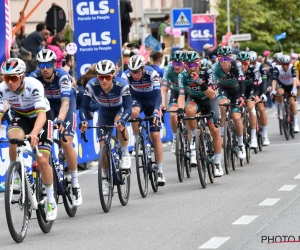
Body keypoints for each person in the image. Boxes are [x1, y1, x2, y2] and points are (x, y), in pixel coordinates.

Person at [0, 58, 57, 221]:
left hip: (42, 118)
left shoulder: (34, 85)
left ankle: (51, 201)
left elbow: (41, 115)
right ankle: (17, 175)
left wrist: (34, 133)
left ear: (22, 76)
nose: (9, 82)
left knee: (42, 161)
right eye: (6, 78)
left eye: (13, 78)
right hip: (21, 116)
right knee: (13, 138)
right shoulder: (2, 89)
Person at [30, 49, 83, 206]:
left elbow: (65, 103)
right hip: (47, 107)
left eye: (47, 65)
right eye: (41, 65)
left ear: (54, 65)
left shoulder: (62, 77)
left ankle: (75, 183)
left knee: (66, 142)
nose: (44, 68)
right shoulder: (34, 77)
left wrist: (59, 120)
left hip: (65, 104)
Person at [79, 60, 132, 194]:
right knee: (103, 144)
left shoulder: (122, 85)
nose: (103, 81)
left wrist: (123, 121)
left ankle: (125, 153)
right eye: (100, 77)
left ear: (113, 76)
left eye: (107, 77)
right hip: (104, 112)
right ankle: (105, 177)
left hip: (119, 109)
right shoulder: (92, 85)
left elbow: (128, 108)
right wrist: (84, 121)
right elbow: (83, 107)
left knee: (119, 122)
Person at [122, 55, 166, 185]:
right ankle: (137, 138)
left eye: (137, 71)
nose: (134, 75)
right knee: (133, 112)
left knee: (155, 135)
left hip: (152, 101)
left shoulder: (152, 73)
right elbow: (123, 97)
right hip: (137, 100)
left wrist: (156, 112)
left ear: (143, 68)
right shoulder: (126, 76)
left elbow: (158, 96)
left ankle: (160, 170)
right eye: (132, 71)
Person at [177, 51, 223, 176]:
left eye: (193, 65)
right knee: (188, 110)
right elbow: (181, 96)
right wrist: (180, 109)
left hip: (209, 100)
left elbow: (212, 95)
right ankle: (194, 138)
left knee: (215, 130)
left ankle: (218, 163)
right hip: (194, 99)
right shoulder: (182, 76)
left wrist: (200, 83)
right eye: (188, 65)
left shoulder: (207, 72)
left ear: (199, 63)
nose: (191, 68)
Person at [213, 46, 246, 160]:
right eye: (222, 59)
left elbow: (242, 82)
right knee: (222, 106)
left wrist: (242, 97)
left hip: (236, 91)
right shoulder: (215, 68)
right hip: (224, 90)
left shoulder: (237, 65)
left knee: (236, 117)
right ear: (218, 59)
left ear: (231, 58)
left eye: (227, 59)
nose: (225, 62)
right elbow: (213, 83)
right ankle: (221, 135)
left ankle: (241, 145)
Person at [161, 50, 186, 153]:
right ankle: (175, 138)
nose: (177, 66)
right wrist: (162, 103)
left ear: (184, 63)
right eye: (174, 63)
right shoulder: (168, 69)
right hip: (176, 92)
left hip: (188, 93)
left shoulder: (188, 70)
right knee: (172, 114)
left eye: (179, 63)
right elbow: (163, 87)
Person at [271, 55, 299, 132]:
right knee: (279, 92)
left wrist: (294, 89)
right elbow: (274, 81)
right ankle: (282, 108)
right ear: (281, 64)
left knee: (292, 103)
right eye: (283, 64)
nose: (285, 66)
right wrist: (273, 90)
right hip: (282, 85)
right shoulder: (277, 68)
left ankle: (296, 124)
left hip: (291, 85)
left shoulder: (292, 67)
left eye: (287, 64)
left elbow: (294, 79)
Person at [248, 51, 270, 145]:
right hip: (249, 88)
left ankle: (265, 135)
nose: (251, 64)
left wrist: (263, 93)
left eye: (253, 63)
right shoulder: (244, 66)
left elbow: (264, 81)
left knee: (261, 109)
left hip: (259, 87)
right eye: (250, 62)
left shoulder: (260, 66)